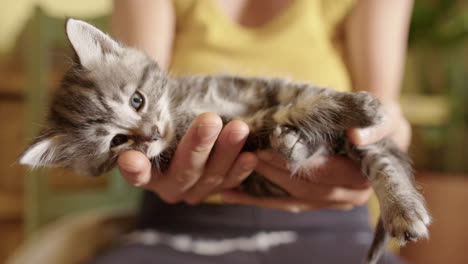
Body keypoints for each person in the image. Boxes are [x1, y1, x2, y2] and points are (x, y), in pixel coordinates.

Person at [90, 0, 413, 263]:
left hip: (332, 222)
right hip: (180, 223)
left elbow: (381, 113)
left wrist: (386, 137)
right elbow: (136, 102)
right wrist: (154, 171)